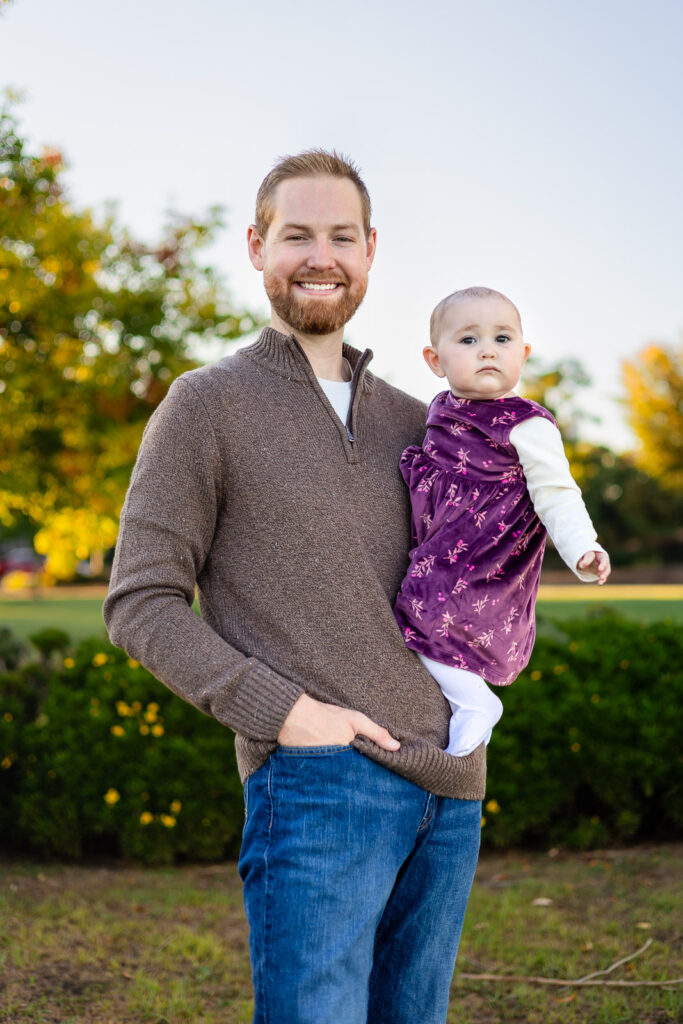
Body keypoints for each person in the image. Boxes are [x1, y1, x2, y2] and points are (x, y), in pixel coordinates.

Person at [103, 151, 485, 1024]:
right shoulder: (205, 405)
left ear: (371, 249)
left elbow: (474, 577)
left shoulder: (421, 420)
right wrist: (287, 717)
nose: (321, 256)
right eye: (296, 235)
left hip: (450, 787)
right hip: (316, 787)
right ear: (255, 246)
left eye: (340, 236)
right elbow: (140, 601)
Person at [394, 286, 611, 757]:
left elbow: (557, 493)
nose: (488, 349)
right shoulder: (438, 408)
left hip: (486, 552)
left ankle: (473, 702)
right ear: (436, 360)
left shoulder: (527, 424)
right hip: (443, 541)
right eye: (468, 340)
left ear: (524, 353)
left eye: (503, 338)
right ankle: (463, 695)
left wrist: (582, 547)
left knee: (425, 615)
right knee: (418, 616)